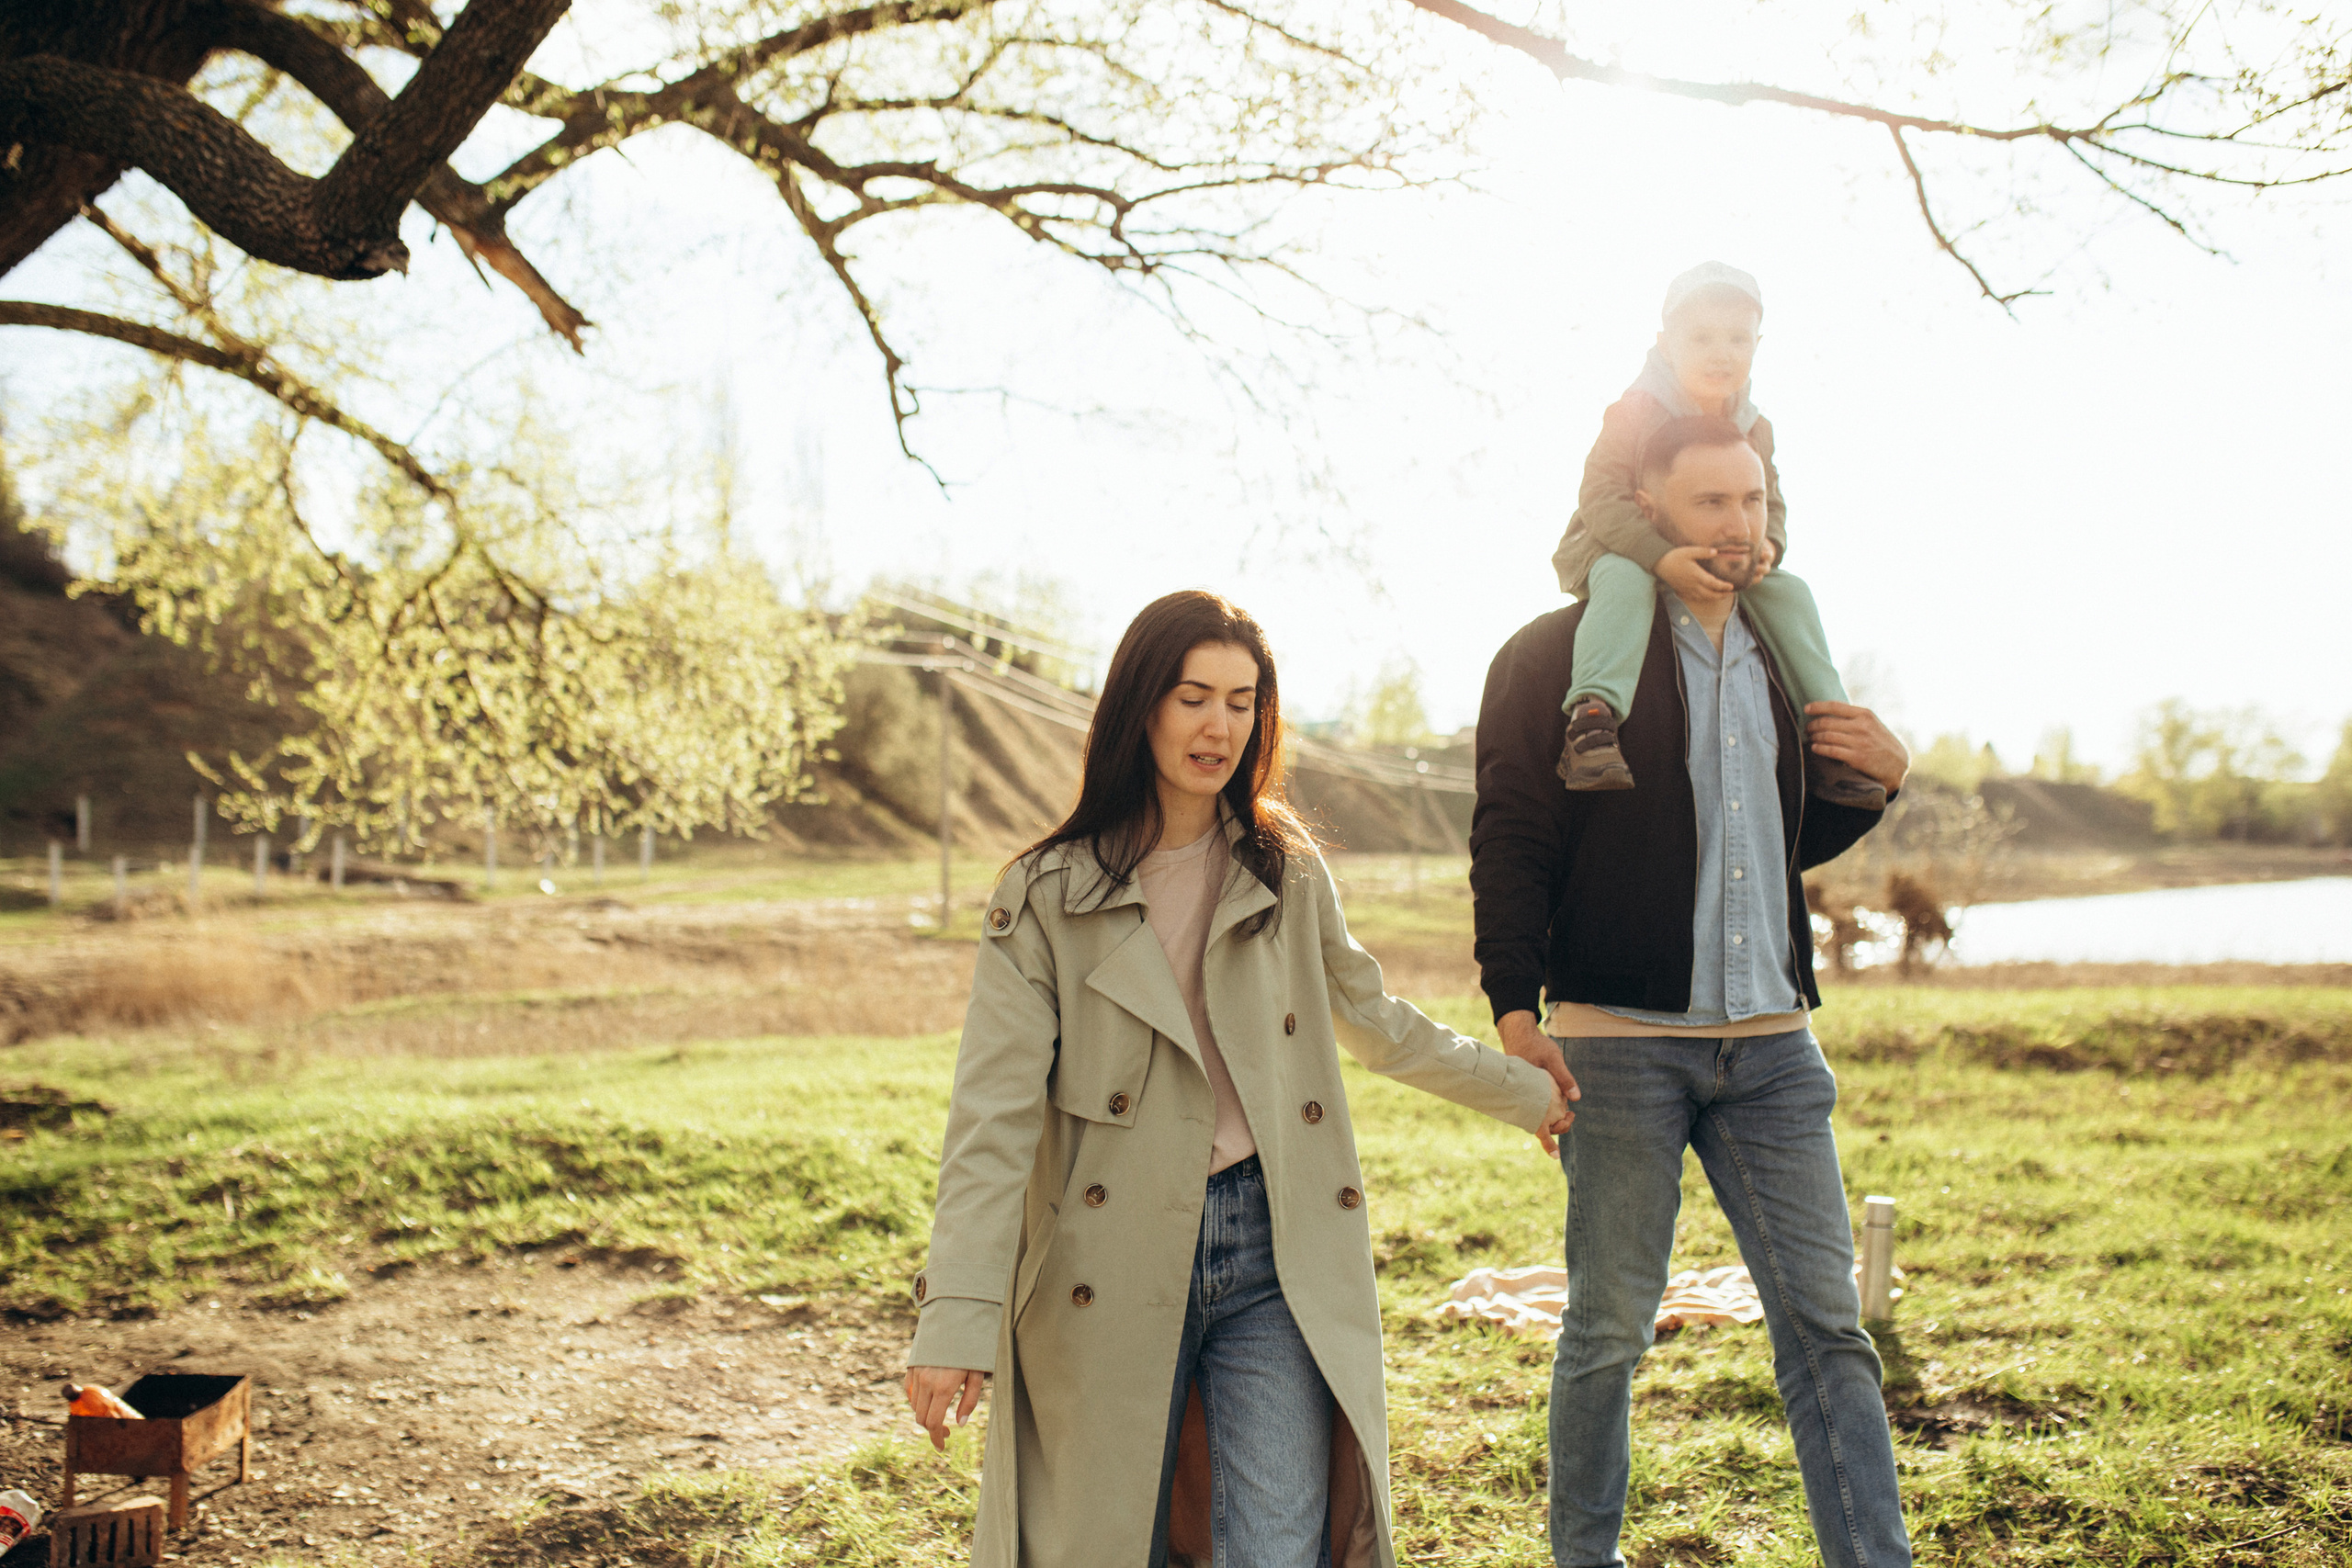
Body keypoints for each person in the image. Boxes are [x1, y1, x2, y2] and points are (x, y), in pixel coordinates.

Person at [903, 590, 1571, 1568]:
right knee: (1112, 1543)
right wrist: (954, 1317)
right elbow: (991, 1120)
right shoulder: (1044, 895)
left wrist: (1528, 1093)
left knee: (1280, 1545)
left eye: (1242, 700)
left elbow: (1376, 1023)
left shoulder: (1284, 870)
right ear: (1141, 707)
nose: (1219, 725)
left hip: (1274, 1249)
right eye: (1192, 697)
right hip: (1110, 1254)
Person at [1470, 415, 1917, 1568]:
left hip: (1773, 1050)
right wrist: (1515, 1011)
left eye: (1754, 502)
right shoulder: (1557, 658)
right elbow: (1512, 835)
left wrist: (1885, 778)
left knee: (1828, 1330)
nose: (1738, 526)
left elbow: (1775, 841)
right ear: (1651, 509)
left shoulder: (1784, 655)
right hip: (1617, 1045)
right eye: (1711, 502)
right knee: (1608, 1330)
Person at [1550, 261, 1886, 811]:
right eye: (1702, 337)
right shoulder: (1634, 411)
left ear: (1758, 343)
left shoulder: (1754, 425)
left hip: (1717, 550)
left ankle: (1831, 744)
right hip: (1620, 545)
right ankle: (1593, 722)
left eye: (1738, 339)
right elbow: (1601, 497)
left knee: (1789, 591)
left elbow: (1770, 501)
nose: (1720, 352)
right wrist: (1661, 558)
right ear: (1665, 343)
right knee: (1624, 580)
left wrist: (1768, 546)